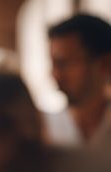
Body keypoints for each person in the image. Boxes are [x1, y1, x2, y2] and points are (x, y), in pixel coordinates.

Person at [44, 14, 111, 147]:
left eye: (64, 64)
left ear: (104, 64)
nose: (55, 75)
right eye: (53, 65)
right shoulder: (46, 132)